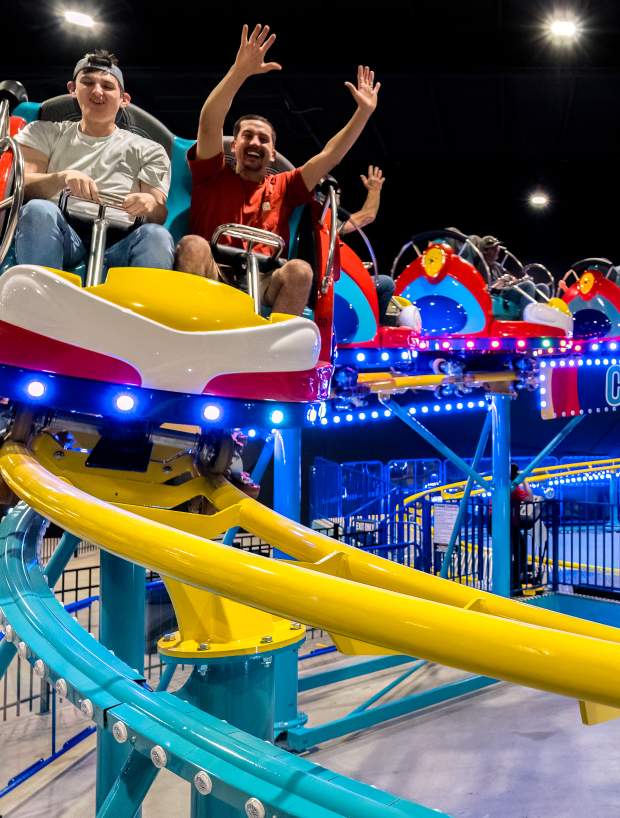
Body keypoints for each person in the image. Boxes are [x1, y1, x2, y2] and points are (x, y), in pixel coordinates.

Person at [175, 24, 381, 316]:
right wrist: (239, 72)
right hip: (213, 271)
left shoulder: (285, 186)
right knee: (193, 245)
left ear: (273, 153)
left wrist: (362, 114)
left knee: (300, 270)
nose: (255, 142)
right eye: (247, 136)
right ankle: (190, 331)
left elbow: (330, 156)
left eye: (264, 139)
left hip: (263, 277)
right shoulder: (212, 173)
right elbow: (209, 121)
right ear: (234, 146)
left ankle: (272, 352)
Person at [13, 49, 175, 275]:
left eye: (107, 86)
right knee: (38, 210)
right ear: (72, 89)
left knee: (157, 237)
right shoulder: (43, 133)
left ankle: (138, 308)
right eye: (87, 83)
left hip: (122, 238)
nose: (97, 92)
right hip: (64, 230)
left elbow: (158, 212)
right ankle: (40, 299)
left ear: (124, 100)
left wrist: (148, 203)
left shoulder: (149, 150)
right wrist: (62, 178)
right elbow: (24, 186)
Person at [339, 165, 394, 323]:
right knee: (385, 283)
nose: (337, 198)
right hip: (332, 285)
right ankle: (374, 329)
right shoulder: (324, 220)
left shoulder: (329, 221)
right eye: (334, 194)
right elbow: (368, 215)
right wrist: (375, 191)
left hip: (337, 280)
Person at [510, 463, 534, 592]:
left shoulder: (500, 486)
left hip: (497, 524)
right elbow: (530, 498)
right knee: (521, 552)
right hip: (511, 525)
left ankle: (512, 580)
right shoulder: (514, 488)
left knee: (514, 551)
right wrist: (524, 481)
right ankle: (515, 582)